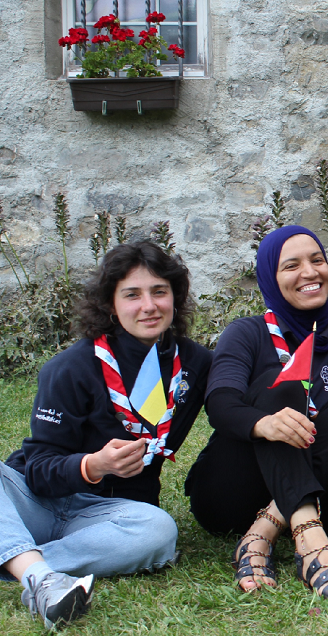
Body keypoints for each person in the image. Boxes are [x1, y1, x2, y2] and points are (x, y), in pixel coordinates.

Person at [1, 241, 212, 630]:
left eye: (159, 291)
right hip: (35, 499)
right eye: (132, 294)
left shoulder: (196, 363)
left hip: (108, 516)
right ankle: (41, 579)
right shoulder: (69, 368)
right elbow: (37, 470)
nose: (148, 306)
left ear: (175, 298)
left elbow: (243, 388)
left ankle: (22, 562)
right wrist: (93, 465)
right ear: (109, 304)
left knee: (160, 532)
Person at [185, 226, 328, 600]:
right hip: (234, 494)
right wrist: (265, 423)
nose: (309, 273)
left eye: (317, 261)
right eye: (291, 265)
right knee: (283, 381)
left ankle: (266, 531)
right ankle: (309, 543)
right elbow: (221, 403)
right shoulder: (247, 333)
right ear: (270, 279)